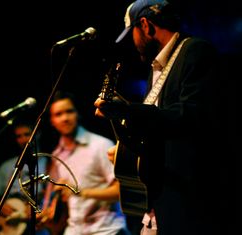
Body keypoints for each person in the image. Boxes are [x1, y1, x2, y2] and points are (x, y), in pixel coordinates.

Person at [94, 0, 228, 235]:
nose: (133, 44)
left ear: (145, 25)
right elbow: (159, 125)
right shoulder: (156, 67)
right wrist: (126, 147)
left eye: (133, 33)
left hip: (187, 202)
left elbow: (190, 116)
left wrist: (127, 110)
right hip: (158, 202)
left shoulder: (194, 51)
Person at [38, 90, 130, 235]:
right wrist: (48, 215)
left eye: (69, 111)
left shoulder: (100, 145)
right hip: (74, 230)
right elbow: (63, 199)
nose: (65, 118)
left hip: (106, 230)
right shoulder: (56, 154)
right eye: (58, 114)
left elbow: (121, 190)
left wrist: (81, 192)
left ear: (77, 114)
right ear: (52, 122)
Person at [0, 117, 49, 235]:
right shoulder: (7, 166)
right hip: (10, 228)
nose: (23, 139)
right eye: (19, 136)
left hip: (38, 228)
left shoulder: (49, 163)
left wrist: (40, 209)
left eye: (27, 134)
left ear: (37, 134)